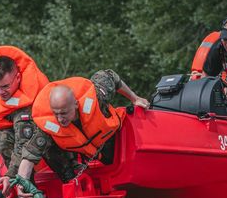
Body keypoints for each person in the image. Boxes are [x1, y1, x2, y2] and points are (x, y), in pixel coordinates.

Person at [8, 69, 149, 186]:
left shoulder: (96, 97)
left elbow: (110, 76)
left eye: (64, 113)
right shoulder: (49, 125)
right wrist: (22, 181)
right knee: (48, 148)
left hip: (114, 143)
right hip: (86, 154)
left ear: (76, 104)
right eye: (55, 113)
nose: (60, 119)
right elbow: (30, 154)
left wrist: (135, 98)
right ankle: (71, 181)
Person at [0, 46, 77, 198]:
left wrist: (11, 175)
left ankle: (70, 180)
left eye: (6, 86)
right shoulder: (2, 96)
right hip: (23, 145)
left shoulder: (28, 96)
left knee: (35, 134)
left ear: (18, 78)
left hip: (49, 138)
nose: (1, 93)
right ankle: (28, 192)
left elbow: (23, 143)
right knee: (1, 138)